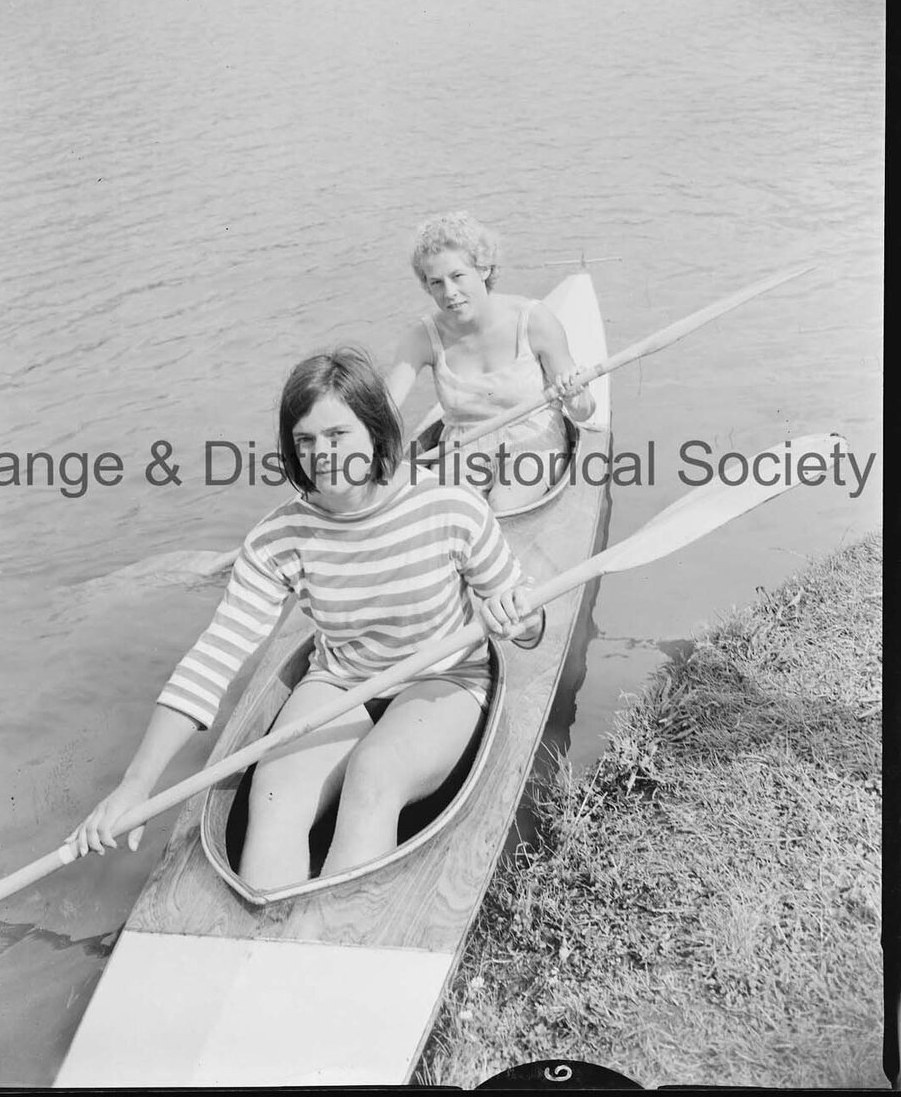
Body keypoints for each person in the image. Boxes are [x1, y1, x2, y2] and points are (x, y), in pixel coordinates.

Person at [67, 348, 545, 891]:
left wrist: (519, 617)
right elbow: (213, 658)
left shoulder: (452, 506)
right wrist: (136, 786)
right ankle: (264, 930)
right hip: (340, 679)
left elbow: (529, 627)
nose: (323, 455)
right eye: (306, 441)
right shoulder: (277, 539)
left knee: (376, 772)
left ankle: (342, 939)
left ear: (376, 431)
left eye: (338, 435)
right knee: (272, 792)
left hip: (444, 679)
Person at [386, 211, 596, 513]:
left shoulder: (535, 321)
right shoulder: (421, 337)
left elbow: (585, 410)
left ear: (483, 269)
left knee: (502, 505)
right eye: (436, 283)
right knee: (450, 513)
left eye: (457, 276)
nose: (449, 293)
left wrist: (575, 394)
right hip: (461, 445)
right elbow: (384, 406)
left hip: (532, 439)